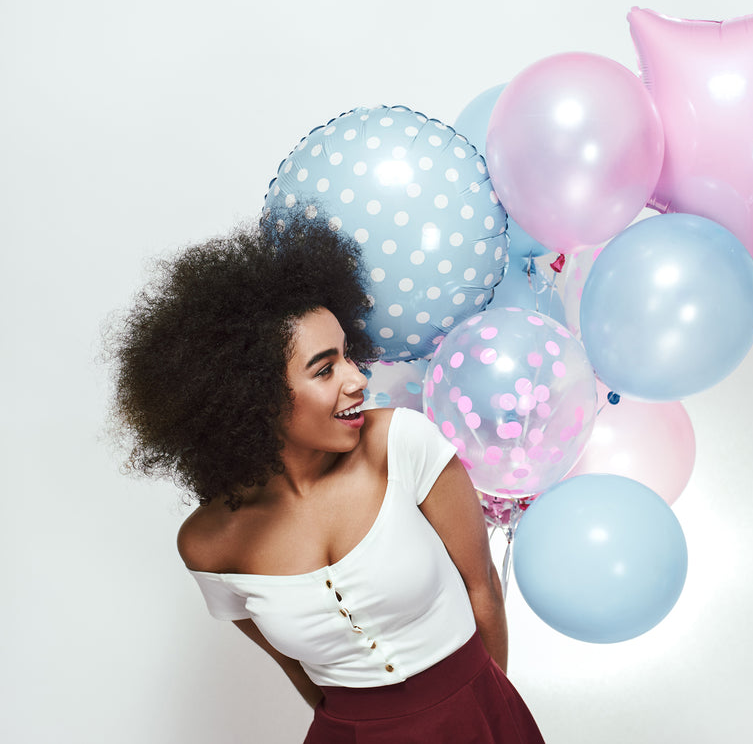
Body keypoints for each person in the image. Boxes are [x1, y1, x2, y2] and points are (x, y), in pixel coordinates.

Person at [108, 213, 545, 743]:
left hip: (476, 713)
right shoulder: (209, 544)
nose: (358, 379)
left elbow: (483, 592)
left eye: (348, 355)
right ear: (254, 396)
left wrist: (491, 713)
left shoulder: (401, 443)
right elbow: (297, 672)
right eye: (324, 368)